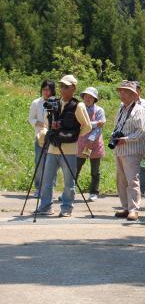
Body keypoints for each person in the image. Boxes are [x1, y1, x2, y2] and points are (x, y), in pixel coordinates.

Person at [35, 75, 92, 217]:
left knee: (69, 182)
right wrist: (50, 127)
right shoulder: (54, 102)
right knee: (47, 180)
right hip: (53, 148)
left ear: (73, 88)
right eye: (61, 86)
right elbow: (47, 123)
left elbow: (87, 126)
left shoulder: (78, 105)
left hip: (69, 149)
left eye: (66, 86)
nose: (62, 89)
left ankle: (66, 208)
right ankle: (45, 206)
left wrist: (74, 136)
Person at [113, 81, 145, 221]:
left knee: (132, 180)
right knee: (121, 180)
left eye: (125, 91)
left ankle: (134, 210)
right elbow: (118, 126)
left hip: (131, 150)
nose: (121, 94)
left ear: (133, 94)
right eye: (120, 91)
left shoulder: (139, 109)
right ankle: (126, 208)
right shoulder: (121, 108)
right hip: (120, 150)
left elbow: (141, 132)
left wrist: (125, 139)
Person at [75, 87, 105, 202]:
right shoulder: (79, 109)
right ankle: (70, 191)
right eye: (86, 96)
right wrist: (95, 123)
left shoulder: (99, 110)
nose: (88, 98)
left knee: (95, 171)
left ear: (94, 99)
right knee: (76, 168)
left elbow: (100, 127)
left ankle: (94, 192)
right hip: (81, 143)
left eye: (90, 97)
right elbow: (80, 125)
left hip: (94, 144)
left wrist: (91, 138)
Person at [29, 79, 56, 197]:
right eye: (44, 89)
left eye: (49, 89)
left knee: (52, 163)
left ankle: (51, 187)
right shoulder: (36, 103)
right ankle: (38, 187)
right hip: (40, 137)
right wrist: (37, 123)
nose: (46, 92)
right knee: (39, 163)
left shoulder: (56, 102)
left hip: (53, 137)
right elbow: (31, 118)